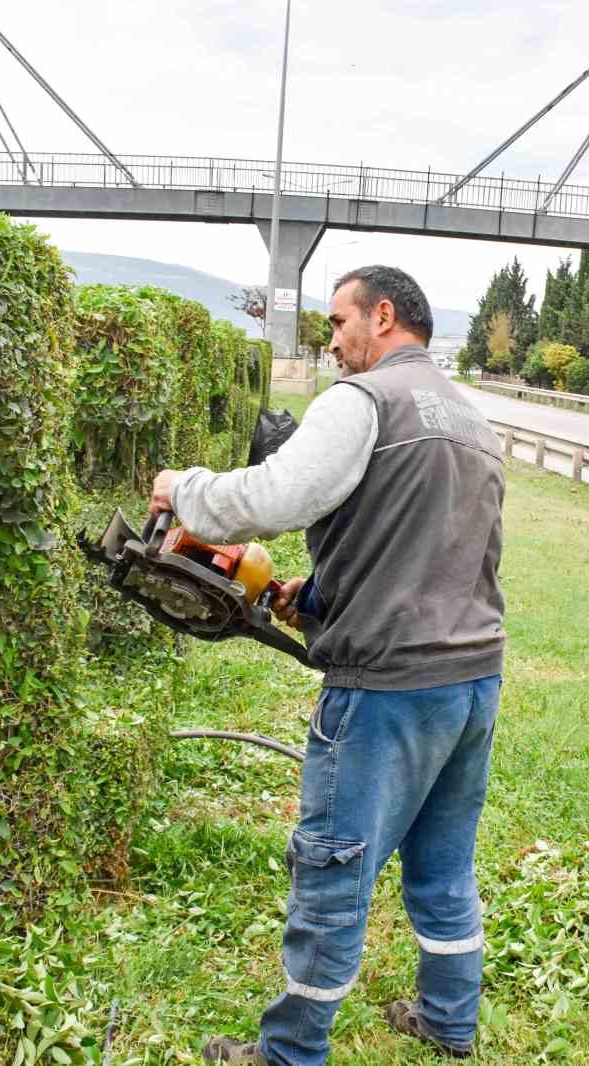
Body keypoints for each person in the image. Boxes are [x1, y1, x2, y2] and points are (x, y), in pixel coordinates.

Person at [147, 266, 506, 1064]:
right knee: (445, 865)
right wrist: (321, 594)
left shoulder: (364, 400)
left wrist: (186, 489)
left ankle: (287, 1055)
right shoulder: (471, 420)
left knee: (332, 871)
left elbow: (280, 495)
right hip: (473, 678)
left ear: (383, 316)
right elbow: (441, 552)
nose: (332, 339)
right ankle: (450, 1023)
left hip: (390, 686)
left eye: (339, 320)